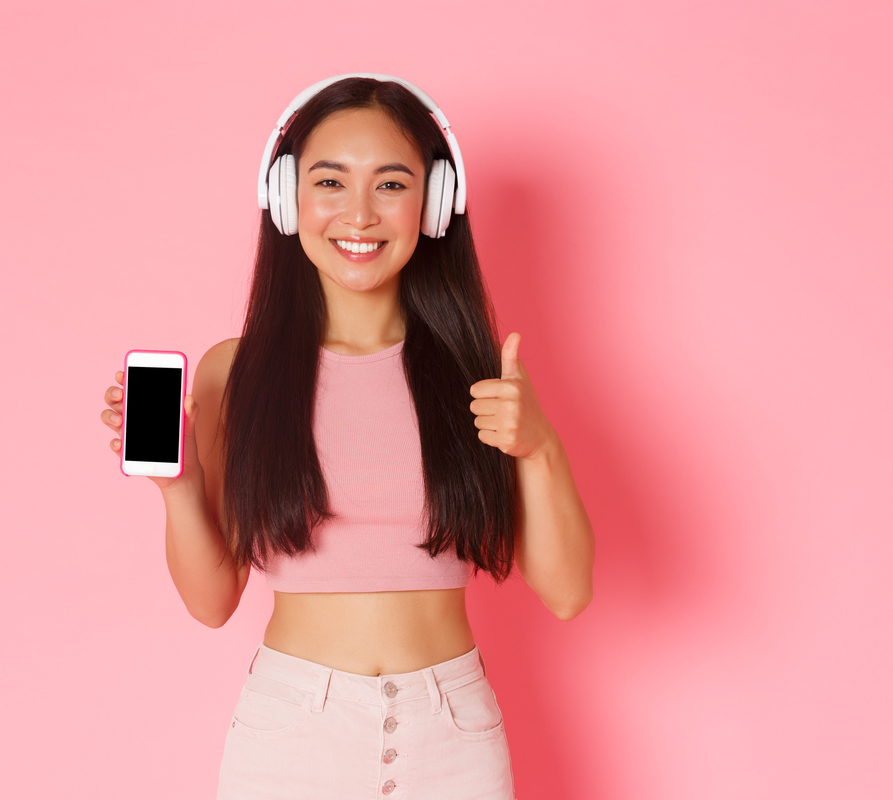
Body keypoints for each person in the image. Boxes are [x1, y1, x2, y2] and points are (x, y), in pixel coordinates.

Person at [100, 74, 594, 800]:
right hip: (290, 736)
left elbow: (568, 592)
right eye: (330, 181)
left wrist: (539, 446)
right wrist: (178, 488)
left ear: (433, 206)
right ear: (284, 197)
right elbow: (212, 603)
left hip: (452, 738)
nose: (359, 213)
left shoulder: (483, 375)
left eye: (391, 185)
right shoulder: (234, 372)